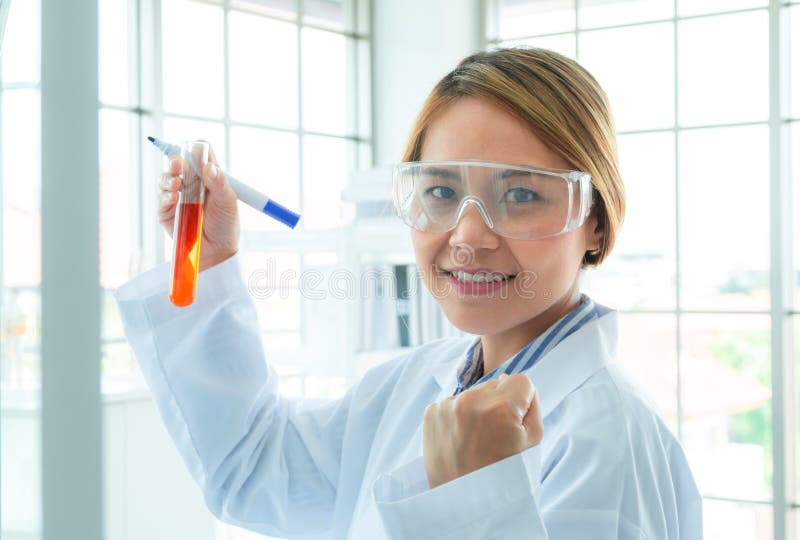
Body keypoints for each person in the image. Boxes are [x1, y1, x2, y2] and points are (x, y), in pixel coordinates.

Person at [115, 47, 702, 539]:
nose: (468, 236)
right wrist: (210, 257)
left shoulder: (608, 442)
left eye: (521, 196)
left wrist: (476, 499)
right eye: (442, 193)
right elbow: (254, 467)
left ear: (596, 221)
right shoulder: (419, 381)